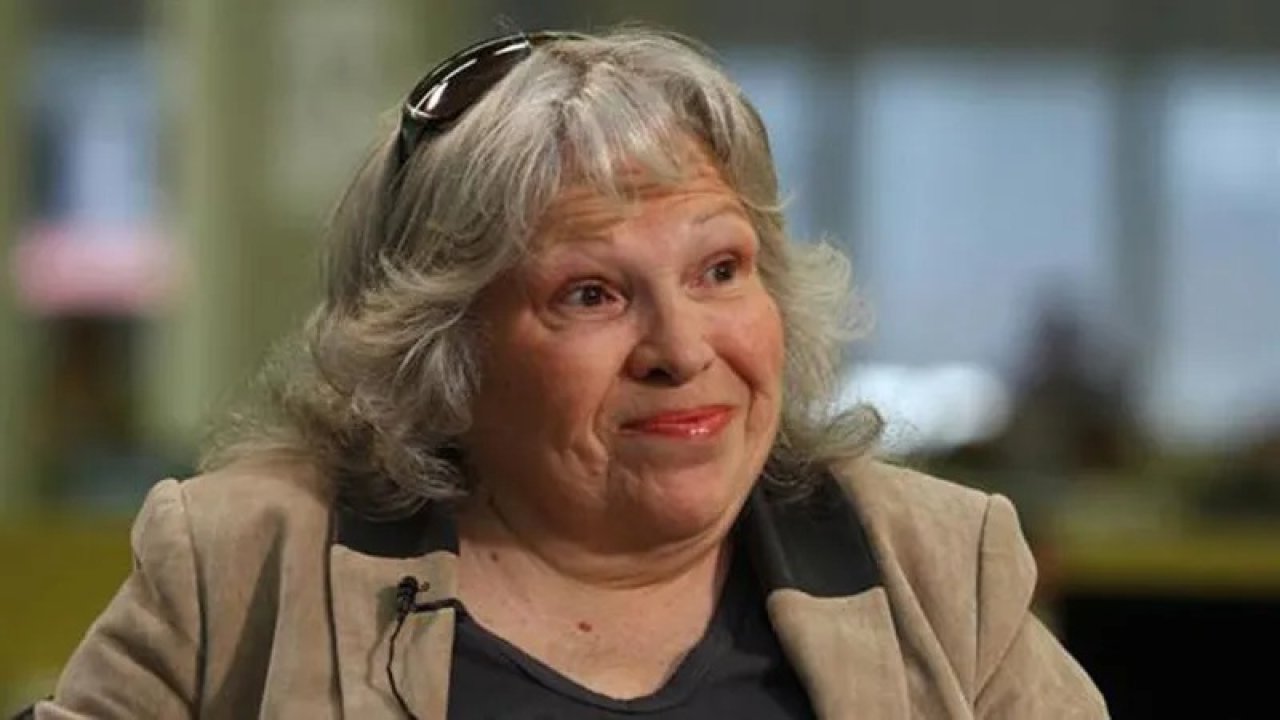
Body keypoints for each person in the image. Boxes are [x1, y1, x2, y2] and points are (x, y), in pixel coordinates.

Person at [30, 26, 1107, 719]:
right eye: (590, 293)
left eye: (720, 270)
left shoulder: (938, 569)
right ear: (443, 349)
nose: (681, 349)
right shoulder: (246, 562)